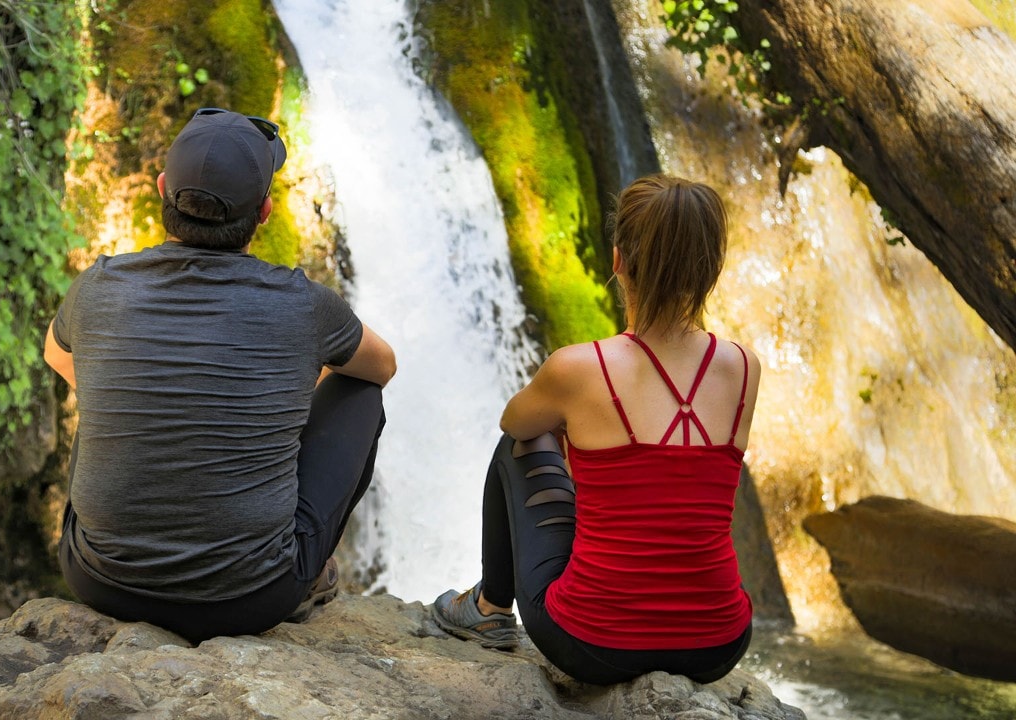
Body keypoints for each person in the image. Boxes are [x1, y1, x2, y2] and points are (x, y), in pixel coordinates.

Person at [44, 107, 396, 643]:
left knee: (101, 389)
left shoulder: (98, 286)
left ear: (163, 189)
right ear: (264, 212)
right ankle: (310, 572)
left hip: (99, 580)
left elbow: (55, 353)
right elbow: (381, 366)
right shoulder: (305, 304)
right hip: (249, 599)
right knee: (361, 393)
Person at [432, 174, 761, 684]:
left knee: (519, 442)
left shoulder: (578, 369)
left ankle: (490, 606)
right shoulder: (742, 367)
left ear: (618, 260)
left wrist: (573, 433)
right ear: (712, 267)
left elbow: (514, 421)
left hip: (595, 644)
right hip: (719, 645)